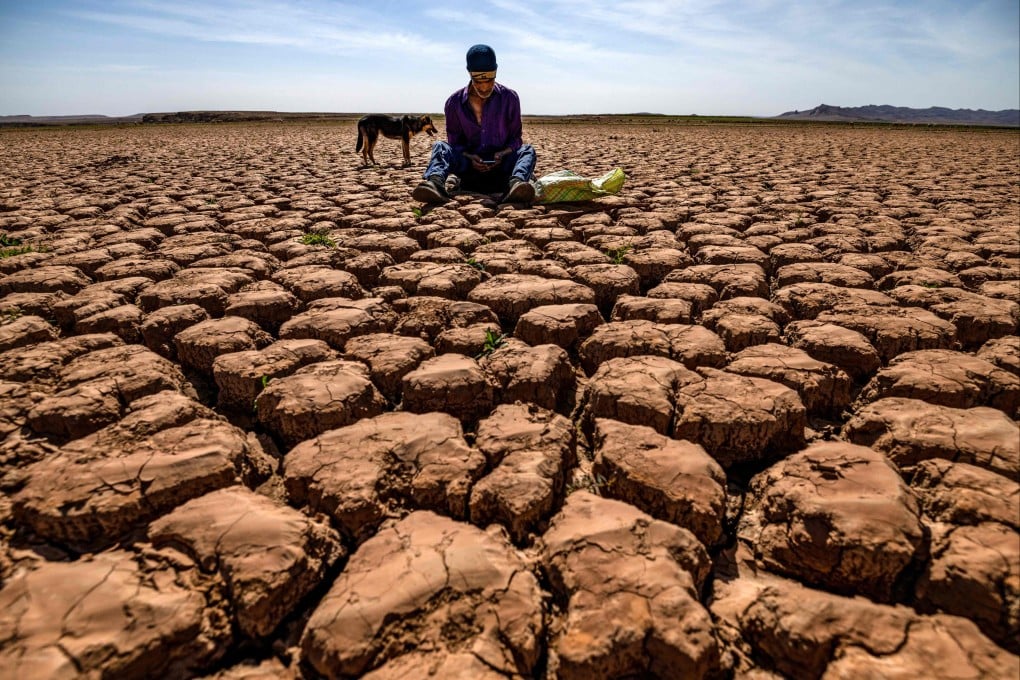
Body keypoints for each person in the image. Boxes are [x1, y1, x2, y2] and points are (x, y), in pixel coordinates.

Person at [412, 44, 537, 205]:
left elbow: (516, 139)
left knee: (527, 150)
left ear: (496, 72)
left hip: (502, 170)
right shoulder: (454, 103)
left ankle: (516, 186)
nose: (484, 87)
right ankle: (435, 184)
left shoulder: (509, 98)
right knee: (441, 147)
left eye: (490, 80)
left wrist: (502, 154)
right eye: (478, 81)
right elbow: (455, 143)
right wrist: (470, 157)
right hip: (469, 170)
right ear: (469, 73)